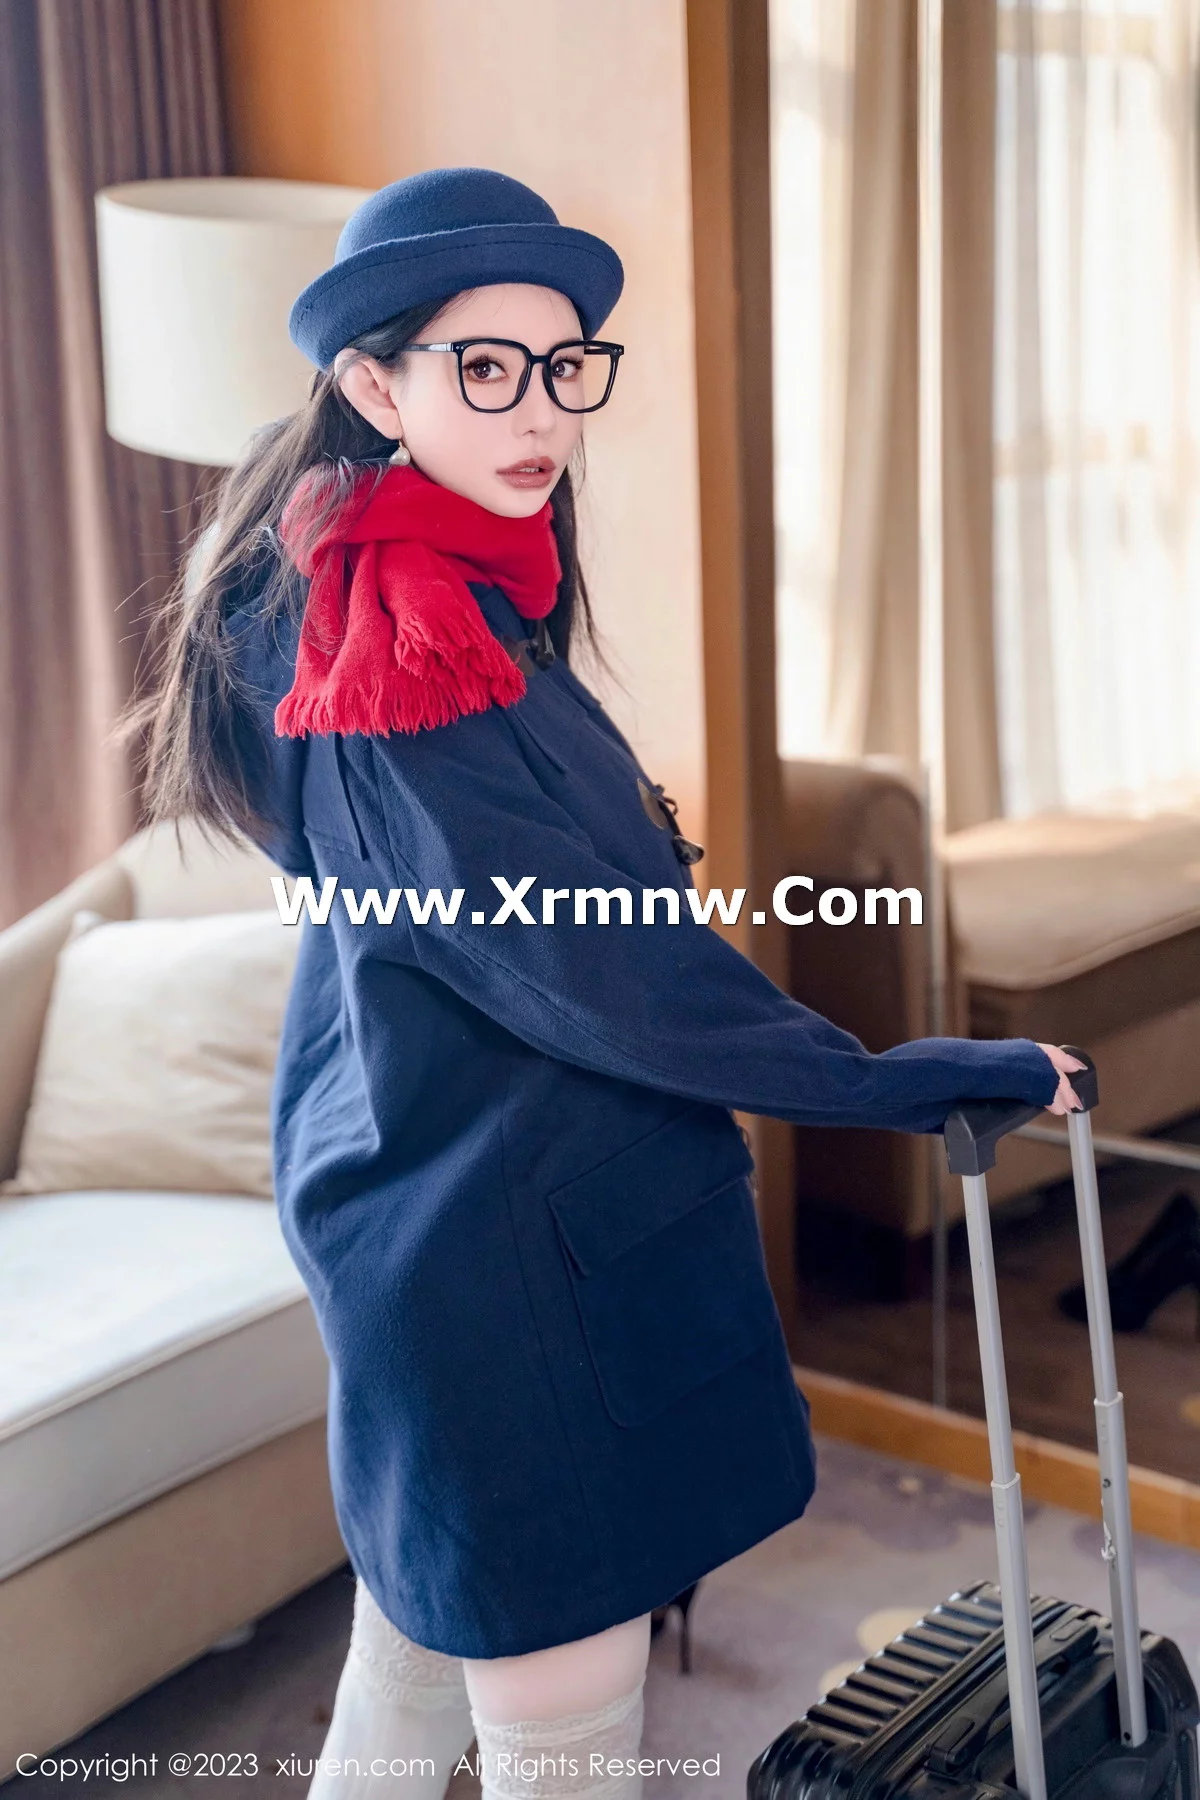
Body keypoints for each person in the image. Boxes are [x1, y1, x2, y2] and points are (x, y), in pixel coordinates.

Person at [117, 167, 1085, 1800]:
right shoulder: (400, 646)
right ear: (375, 386)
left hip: (428, 1200)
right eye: (485, 367)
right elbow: (604, 974)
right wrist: (914, 1080)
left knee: (407, 1686)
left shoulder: (366, 582)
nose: (541, 413)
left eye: (564, 366)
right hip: (505, 1260)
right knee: (554, 1745)